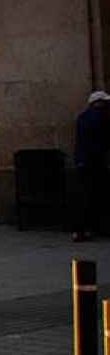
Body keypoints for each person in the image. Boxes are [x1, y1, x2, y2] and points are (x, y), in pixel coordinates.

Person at [73, 90, 109, 242]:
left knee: (85, 196)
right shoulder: (101, 117)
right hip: (95, 161)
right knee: (95, 195)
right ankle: (94, 228)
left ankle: (81, 230)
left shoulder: (82, 118)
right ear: (97, 103)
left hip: (83, 161)